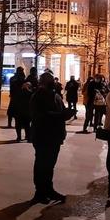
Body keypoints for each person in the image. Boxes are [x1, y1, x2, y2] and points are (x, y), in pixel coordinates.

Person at [29, 72, 76, 204]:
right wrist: (62, 115)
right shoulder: (38, 96)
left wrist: (67, 114)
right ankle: (40, 192)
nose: (53, 83)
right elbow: (41, 116)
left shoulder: (55, 95)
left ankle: (48, 189)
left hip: (55, 135)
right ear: (43, 82)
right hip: (43, 135)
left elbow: (60, 111)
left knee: (50, 165)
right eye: (49, 81)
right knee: (41, 164)